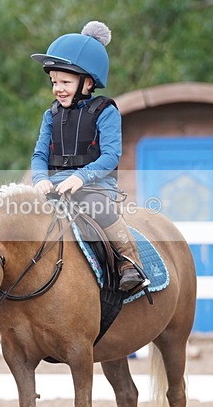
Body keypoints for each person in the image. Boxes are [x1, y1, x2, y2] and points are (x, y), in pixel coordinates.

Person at [30, 20, 149, 291]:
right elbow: (39, 154)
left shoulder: (106, 112)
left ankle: (129, 262)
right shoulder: (51, 115)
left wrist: (81, 177)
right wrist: (39, 178)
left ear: (87, 82)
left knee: (98, 206)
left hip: (94, 186)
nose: (58, 88)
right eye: (54, 82)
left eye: (65, 82)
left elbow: (111, 156)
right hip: (55, 185)